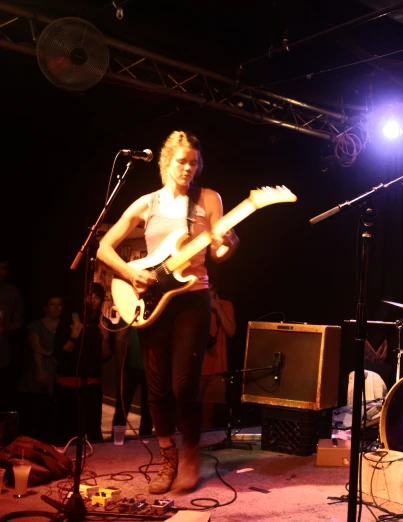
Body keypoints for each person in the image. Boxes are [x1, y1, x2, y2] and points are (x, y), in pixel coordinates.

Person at [96, 130, 239, 494]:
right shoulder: (147, 204)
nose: (188, 168)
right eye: (181, 161)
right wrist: (131, 273)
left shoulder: (208, 199)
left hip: (193, 298)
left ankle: (190, 454)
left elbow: (217, 254)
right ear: (165, 162)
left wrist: (229, 244)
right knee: (157, 387)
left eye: (194, 162)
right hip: (151, 301)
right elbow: (104, 247)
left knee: (183, 385)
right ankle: (167, 458)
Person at [53, 283, 112, 444]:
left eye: (96, 296)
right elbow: (59, 354)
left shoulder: (104, 323)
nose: (91, 300)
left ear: (101, 300)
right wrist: (74, 335)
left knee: (93, 430)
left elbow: (106, 357)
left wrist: (105, 338)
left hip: (92, 384)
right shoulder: (70, 319)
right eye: (88, 295)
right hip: (67, 385)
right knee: (68, 433)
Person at [17, 294, 62, 442]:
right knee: (34, 414)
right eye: (52, 304)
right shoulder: (36, 325)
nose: (56, 307)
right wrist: (41, 368)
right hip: (37, 372)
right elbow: (36, 347)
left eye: (58, 304)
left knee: (52, 416)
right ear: (45, 307)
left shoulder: (64, 326)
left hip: (56, 373)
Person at [199, 281, 236, 429]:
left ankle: (207, 445)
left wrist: (218, 308)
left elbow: (231, 331)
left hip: (217, 367)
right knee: (192, 411)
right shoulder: (196, 306)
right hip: (197, 367)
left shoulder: (225, 305)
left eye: (210, 290)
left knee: (210, 414)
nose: (208, 294)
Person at [112, 321, 153, 438]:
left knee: (125, 408)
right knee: (146, 409)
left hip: (144, 366)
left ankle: (118, 440)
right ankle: (144, 440)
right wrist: (120, 370)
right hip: (136, 366)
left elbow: (120, 339)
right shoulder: (129, 311)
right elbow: (120, 338)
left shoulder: (129, 310)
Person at [0, 254, 23, 412]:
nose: (1, 272)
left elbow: (19, 324)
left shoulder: (10, 291)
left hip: (2, 356)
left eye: (4, 268)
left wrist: (5, 326)